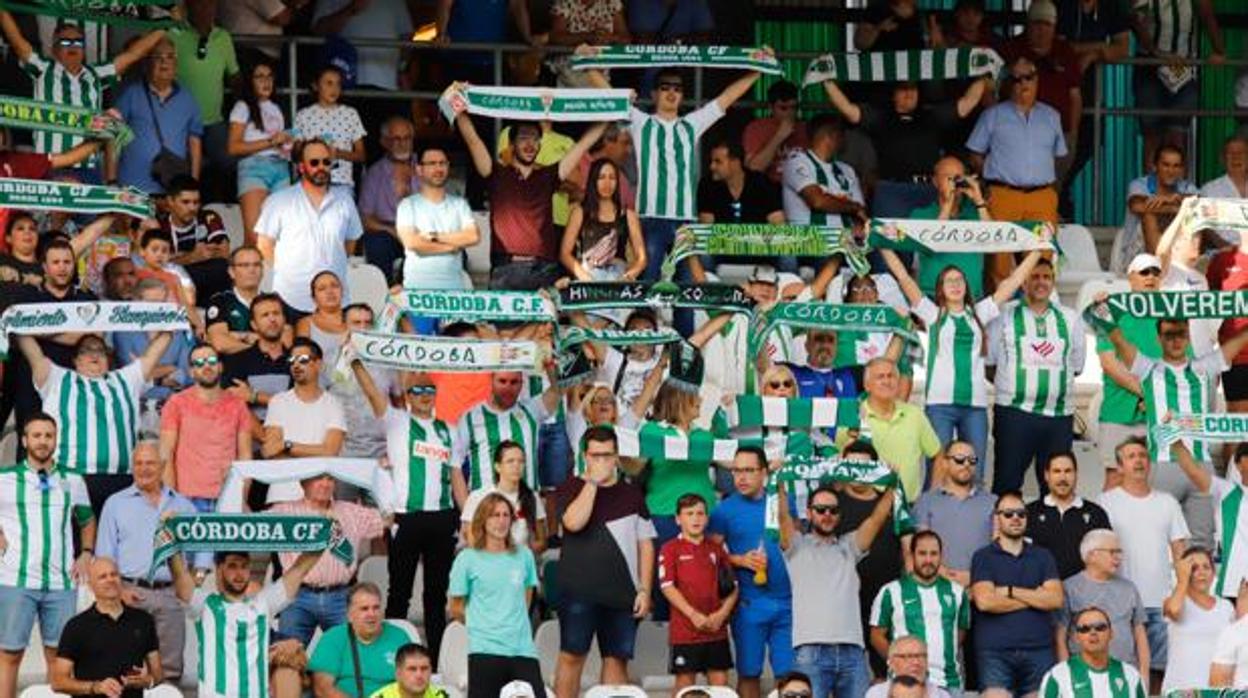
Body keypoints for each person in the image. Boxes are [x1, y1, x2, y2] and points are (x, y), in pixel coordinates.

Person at [581, 55, 765, 317]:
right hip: (651, 219)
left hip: (685, 223)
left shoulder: (692, 124)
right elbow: (607, 92)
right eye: (665, 87)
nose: (671, 92)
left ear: (682, 96)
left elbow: (726, 98)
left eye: (677, 88)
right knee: (647, 288)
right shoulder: (641, 121)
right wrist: (586, 62)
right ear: (654, 93)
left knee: (686, 294)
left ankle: (684, 349)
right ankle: (642, 342)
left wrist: (758, 70)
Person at [882, 245, 1043, 476]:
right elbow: (904, 277)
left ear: (967, 286)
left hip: (975, 406)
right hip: (939, 405)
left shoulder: (980, 312)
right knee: (937, 471)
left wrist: (1038, 249)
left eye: (960, 280)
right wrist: (882, 245)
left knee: (975, 473)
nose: (956, 285)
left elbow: (1015, 280)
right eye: (949, 281)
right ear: (940, 289)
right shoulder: (933, 314)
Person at [1103, 314, 1248, 549]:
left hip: (1200, 464)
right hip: (1163, 464)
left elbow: (1240, 340)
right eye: (1169, 335)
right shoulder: (1148, 367)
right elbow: (1117, 339)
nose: (1176, 340)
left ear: (1189, 336)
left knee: (1202, 544)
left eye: (1181, 334)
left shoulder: (1204, 366)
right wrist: (1100, 313)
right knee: (1155, 539)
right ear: (1159, 338)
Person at [353, 360, 464, 664]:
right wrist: (355, 361)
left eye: (430, 389)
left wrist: (467, 516)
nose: (425, 395)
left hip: (442, 518)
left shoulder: (449, 430)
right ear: (408, 395)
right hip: (407, 517)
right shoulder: (396, 421)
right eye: (418, 390)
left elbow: (456, 476)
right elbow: (372, 392)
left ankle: (438, 658)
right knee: (399, 592)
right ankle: (389, 657)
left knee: (436, 594)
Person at [17, 330, 173, 513]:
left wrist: (173, 323)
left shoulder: (126, 379)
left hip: (121, 479)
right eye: (86, 350)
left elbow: (155, 352)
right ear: (75, 360)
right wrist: (16, 319)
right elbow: (30, 348)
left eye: (100, 350)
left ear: (108, 359)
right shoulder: (56, 378)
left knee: (119, 539)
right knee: (75, 538)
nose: (94, 354)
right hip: (71, 478)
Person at [553, 426, 656, 698]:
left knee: (616, 659)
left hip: (622, 591)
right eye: (595, 456)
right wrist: (592, 483)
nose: (601, 462)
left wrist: (644, 589)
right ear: (585, 456)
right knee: (572, 656)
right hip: (578, 590)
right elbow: (573, 522)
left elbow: (645, 544)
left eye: (607, 455)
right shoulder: (570, 487)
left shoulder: (632, 494)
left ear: (616, 457)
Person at [0, 11, 166, 178]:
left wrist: (165, 26)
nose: (72, 46)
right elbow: (16, 39)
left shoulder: (96, 74)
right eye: (65, 42)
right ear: (53, 47)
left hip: (89, 169)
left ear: (84, 48)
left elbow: (133, 54)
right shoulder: (44, 69)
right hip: (50, 166)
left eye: (78, 42)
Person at [452, 109, 604, 291]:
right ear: (511, 144)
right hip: (506, 270)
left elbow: (583, 144)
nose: (530, 144)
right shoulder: (496, 173)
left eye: (535, 139)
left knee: (544, 321)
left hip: (544, 270)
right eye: (524, 138)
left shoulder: (548, 175)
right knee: (505, 321)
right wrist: (457, 105)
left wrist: (616, 106)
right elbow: (473, 140)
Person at [0, 413, 95, 698]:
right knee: (9, 654)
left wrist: (86, 552)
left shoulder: (73, 479)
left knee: (60, 659)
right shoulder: (5, 479)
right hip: (16, 578)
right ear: (25, 440)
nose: (43, 441)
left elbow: (87, 520)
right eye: (37, 435)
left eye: (48, 436)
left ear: (55, 440)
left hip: (60, 583)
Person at [777, 472, 897, 698]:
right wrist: (779, 482)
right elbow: (782, 517)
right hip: (811, 650)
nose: (827, 515)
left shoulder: (849, 546)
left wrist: (892, 481)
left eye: (833, 510)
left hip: (852, 651)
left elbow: (877, 518)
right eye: (820, 510)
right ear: (809, 512)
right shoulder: (796, 546)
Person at [96, 441, 203, 681]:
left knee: (170, 670)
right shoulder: (115, 504)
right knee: (125, 669)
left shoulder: (183, 505)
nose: (144, 468)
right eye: (139, 463)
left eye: (150, 463)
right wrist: (119, 590)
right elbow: (104, 556)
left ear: (163, 466)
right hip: (129, 594)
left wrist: (195, 582)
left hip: (170, 594)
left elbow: (202, 549)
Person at [168, 544, 324, 698]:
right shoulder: (206, 605)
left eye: (244, 567)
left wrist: (322, 540)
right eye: (232, 566)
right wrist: (169, 544)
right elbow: (180, 577)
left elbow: (299, 570)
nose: (239, 573)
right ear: (220, 569)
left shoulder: (263, 603)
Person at [820, 77, 988, 219]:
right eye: (903, 88)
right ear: (893, 94)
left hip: (928, 190)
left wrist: (983, 75)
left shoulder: (930, 116)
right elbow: (848, 110)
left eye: (913, 88)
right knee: (889, 247)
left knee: (926, 246)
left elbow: (967, 104)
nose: (909, 93)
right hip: (892, 191)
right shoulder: (882, 117)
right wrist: (826, 80)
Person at [966, 55, 1066, 288]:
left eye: (1028, 77)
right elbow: (974, 154)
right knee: (998, 261)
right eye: (1017, 78)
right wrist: (993, 177)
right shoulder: (992, 115)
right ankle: (997, 316)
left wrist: (1052, 194)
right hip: (1003, 194)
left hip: (1042, 195)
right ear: (1009, 83)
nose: (1023, 83)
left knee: (1042, 260)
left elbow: (1058, 156)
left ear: (1037, 79)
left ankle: (1037, 314)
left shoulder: (1052, 117)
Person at [1096, 437, 1189, 685]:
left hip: (1161, 603)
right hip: (1119, 603)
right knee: (1120, 675)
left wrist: (1179, 594)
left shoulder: (1168, 502)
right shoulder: (1104, 502)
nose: (1139, 460)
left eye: (1143, 456)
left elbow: (1181, 553)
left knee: (1160, 673)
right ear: (1119, 467)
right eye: (1131, 456)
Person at [987, 257, 1085, 493]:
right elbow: (990, 362)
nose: (1041, 282)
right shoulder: (1004, 315)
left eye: (1047, 277)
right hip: (1014, 414)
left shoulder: (1070, 318)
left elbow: (1077, 365)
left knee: (1056, 489)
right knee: (1006, 484)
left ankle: (1051, 531)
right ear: (1023, 282)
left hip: (1058, 416)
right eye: (1035, 277)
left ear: (1053, 282)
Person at [707, 447, 795, 698]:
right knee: (748, 673)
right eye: (736, 470)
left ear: (765, 472)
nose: (741, 477)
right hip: (747, 602)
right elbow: (710, 555)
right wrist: (739, 559)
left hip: (786, 600)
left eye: (748, 470)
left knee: (788, 675)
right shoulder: (724, 510)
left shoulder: (780, 502)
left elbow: (797, 543)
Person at [269, 471, 386, 646]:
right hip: (296, 596)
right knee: (286, 658)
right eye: (318, 478)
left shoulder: (351, 511)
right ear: (303, 483)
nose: (325, 484)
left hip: (341, 596)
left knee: (350, 658)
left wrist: (384, 477)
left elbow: (388, 519)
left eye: (330, 478)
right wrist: (237, 485)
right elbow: (244, 524)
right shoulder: (283, 512)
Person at [449, 492, 544, 698]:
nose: (501, 521)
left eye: (505, 515)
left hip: (523, 649)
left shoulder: (524, 555)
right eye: (494, 515)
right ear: (483, 520)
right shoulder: (467, 559)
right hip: (485, 651)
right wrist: (484, 623)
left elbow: (526, 596)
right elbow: (455, 607)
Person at [255, 138, 364, 317]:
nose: (321, 167)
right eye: (314, 162)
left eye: (326, 162)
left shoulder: (345, 199)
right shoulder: (279, 201)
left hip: (335, 300)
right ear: (301, 167)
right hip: (291, 298)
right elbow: (264, 245)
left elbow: (351, 242)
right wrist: (286, 272)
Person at [970, 491, 1064, 698]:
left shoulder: (1043, 556)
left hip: (1039, 650)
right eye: (1008, 513)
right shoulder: (983, 557)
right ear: (997, 518)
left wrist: (1010, 591)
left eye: (1021, 514)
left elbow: (1055, 599)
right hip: (995, 651)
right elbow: (985, 602)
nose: (1015, 518)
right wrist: (1036, 598)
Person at [1128, 0, 1225, 169]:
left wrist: (1219, 50)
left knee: (1178, 134)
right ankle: (1151, 191)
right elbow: (1135, 20)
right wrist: (1155, 51)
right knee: (1152, 135)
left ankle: (1179, 191)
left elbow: (1207, 15)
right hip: (1150, 66)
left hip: (1182, 67)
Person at [869, 531, 970, 694]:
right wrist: (899, 662)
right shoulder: (890, 591)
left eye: (934, 554)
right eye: (922, 553)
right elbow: (876, 636)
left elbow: (959, 633)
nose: (928, 560)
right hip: (904, 683)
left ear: (941, 556)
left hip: (949, 682)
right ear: (911, 555)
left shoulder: (957, 592)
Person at [659, 493, 738, 691]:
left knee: (720, 686)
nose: (696, 518)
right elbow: (667, 586)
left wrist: (722, 614)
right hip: (686, 632)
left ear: (707, 518)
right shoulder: (670, 549)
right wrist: (693, 615)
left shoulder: (717, 549)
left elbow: (733, 587)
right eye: (689, 513)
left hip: (716, 630)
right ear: (678, 519)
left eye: (700, 513)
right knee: (685, 687)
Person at [51, 557, 162, 697]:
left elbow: (158, 673)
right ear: (91, 586)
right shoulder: (76, 626)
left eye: (114, 574)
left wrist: (147, 681)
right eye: (102, 577)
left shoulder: (143, 620)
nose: (110, 579)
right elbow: (58, 682)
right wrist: (96, 687)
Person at [159, 343, 251, 509]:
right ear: (191, 372)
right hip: (188, 499)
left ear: (220, 366)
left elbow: (245, 456)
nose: (206, 366)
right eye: (199, 363)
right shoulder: (176, 403)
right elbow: (166, 454)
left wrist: (241, 496)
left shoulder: (238, 405)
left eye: (211, 360)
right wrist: (172, 501)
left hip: (228, 496)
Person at [1095, 254, 1162, 475]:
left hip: (1158, 420)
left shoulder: (1172, 315)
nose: (1151, 277)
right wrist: (1150, 395)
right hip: (1119, 414)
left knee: (1154, 485)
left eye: (1156, 272)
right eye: (1144, 272)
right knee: (1115, 480)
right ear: (1131, 277)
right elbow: (1109, 364)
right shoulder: (1110, 310)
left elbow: (1180, 363)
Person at [169, 0, 239, 204]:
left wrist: (243, 111)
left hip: (213, 120)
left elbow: (235, 76)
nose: (205, 10)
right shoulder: (174, 35)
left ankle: (221, 211)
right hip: (181, 121)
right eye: (199, 5)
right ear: (188, 7)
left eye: (210, 5)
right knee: (183, 168)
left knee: (229, 163)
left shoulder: (222, 37)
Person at [115, 37, 204, 194]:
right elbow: (112, 135)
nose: (164, 62)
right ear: (148, 62)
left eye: (170, 57)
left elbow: (194, 142)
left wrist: (193, 183)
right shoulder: (130, 93)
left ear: (176, 63)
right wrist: (111, 179)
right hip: (131, 186)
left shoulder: (188, 98)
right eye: (158, 57)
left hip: (171, 189)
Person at [1057, 529, 1149, 675]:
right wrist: (1066, 676)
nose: (1118, 558)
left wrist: (1143, 677)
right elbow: (1060, 636)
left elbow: (1140, 634)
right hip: (1083, 676)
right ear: (1091, 555)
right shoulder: (1069, 588)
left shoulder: (1129, 588)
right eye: (1112, 552)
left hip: (1125, 675)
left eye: (1119, 552)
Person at [899, 156, 990, 300]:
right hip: (933, 297)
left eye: (959, 178)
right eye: (949, 178)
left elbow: (994, 239)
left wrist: (979, 201)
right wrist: (948, 205)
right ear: (935, 182)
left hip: (971, 297)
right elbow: (934, 242)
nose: (955, 183)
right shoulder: (920, 215)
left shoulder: (975, 212)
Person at [394, 145, 480, 295]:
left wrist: (435, 237)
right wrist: (451, 247)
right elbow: (413, 243)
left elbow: (473, 236)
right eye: (432, 164)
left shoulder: (459, 204)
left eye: (442, 163)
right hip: (418, 292)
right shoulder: (408, 205)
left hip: (454, 292)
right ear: (419, 169)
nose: (438, 168)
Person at [1001, 1, 1084, 153]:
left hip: (1059, 134)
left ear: (1054, 27)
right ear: (1028, 25)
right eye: (1036, 24)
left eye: (1047, 24)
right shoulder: (1012, 49)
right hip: (1017, 132)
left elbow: (1075, 97)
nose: (1041, 30)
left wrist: (1073, 133)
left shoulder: (1065, 51)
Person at [913, 441, 996, 587]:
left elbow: (1000, 548)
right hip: (935, 586)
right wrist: (943, 573)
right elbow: (919, 546)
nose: (966, 464)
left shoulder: (993, 502)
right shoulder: (925, 501)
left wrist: (976, 576)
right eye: (959, 459)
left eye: (972, 460)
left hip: (982, 588)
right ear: (945, 463)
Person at [227, 59, 293, 244]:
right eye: (260, 77)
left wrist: (288, 143)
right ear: (250, 82)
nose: (266, 81)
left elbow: (276, 143)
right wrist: (271, 141)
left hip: (280, 168)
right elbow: (233, 147)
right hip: (254, 168)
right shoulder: (242, 106)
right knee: (254, 236)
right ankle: (239, 271)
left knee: (279, 237)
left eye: (270, 76)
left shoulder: (277, 108)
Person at [308, 582, 413, 698]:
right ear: (349, 615)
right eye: (364, 609)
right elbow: (323, 688)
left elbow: (415, 681)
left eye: (376, 608)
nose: (372, 614)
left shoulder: (399, 637)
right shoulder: (333, 638)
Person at [859, 357, 941, 503]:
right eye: (880, 377)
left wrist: (931, 497)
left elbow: (938, 455)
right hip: (865, 506)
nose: (887, 381)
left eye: (891, 376)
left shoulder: (914, 415)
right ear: (867, 385)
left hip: (909, 506)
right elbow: (841, 461)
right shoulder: (854, 415)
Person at [460, 371, 558, 492]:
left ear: (522, 383)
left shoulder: (531, 410)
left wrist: (550, 368)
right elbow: (454, 466)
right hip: (485, 505)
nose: (508, 388)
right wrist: (467, 508)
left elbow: (557, 390)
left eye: (514, 382)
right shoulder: (471, 417)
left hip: (525, 504)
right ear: (491, 380)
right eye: (502, 381)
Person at [1111, 145, 1197, 274]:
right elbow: (1137, 206)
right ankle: (1159, 267)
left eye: (1176, 166)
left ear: (1182, 169)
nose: (1171, 171)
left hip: (1177, 251)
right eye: (1166, 165)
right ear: (1155, 166)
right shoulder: (1139, 184)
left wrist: (1171, 199)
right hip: (1137, 256)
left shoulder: (1186, 187)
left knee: (1195, 219)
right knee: (1149, 216)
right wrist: (1177, 207)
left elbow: (1200, 204)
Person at [1025, 453, 1112, 579]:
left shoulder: (1095, 513)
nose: (1062, 478)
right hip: (1041, 593)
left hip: (1085, 594)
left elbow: (1107, 557)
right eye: (1056, 471)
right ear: (1046, 475)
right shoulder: (1029, 512)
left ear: (1076, 475)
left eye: (1068, 471)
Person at [260, 338, 346, 465]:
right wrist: (316, 451)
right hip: (284, 482)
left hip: (319, 482)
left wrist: (287, 445)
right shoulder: (278, 401)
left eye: (303, 360)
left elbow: (330, 451)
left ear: (319, 364)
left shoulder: (334, 404)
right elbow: (272, 451)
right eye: (292, 360)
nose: (296, 365)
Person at [560, 156, 647, 282]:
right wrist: (585, 278)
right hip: (588, 272)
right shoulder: (580, 212)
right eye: (601, 178)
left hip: (618, 273)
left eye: (612, 178)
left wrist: (627, 277)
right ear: (593, 180)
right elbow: (565, 253)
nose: (607, 183)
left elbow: (642, 258)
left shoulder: (628, 214)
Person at [1162, 547, 1234, 691]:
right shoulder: (1173, 601)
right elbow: (1174, 610)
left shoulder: (1226, 607)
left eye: (1206, 567)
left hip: (1215, 690)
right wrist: (1182, 580)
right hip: (1180, 690)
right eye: (1193, 568)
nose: (1201, 572)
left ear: (1213, 573)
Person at [358, 116, 420, 283]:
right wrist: (392, 231)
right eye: (396, 139)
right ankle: (385, 298)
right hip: (389, 234)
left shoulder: (426, 168)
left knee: (457, 252)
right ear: (384, 142)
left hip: (422, 231)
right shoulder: (375, 173)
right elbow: (365, 219)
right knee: (377, 244)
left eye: (407, 138)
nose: (403, 144)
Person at [1038, 607, 1148, 698]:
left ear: (1111, 633)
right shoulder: (1057, 676)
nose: (1093, 632)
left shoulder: (1131, 675)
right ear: (1076, 637)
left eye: (1100, 627)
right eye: (1084, 629)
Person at [782, 114, 867, 231]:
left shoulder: (847, 170)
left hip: (846, 242)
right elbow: (817, 202)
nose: (845, 140)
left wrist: (858, 217)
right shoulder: (796, 162)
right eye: (843, 135)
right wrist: (852, 207)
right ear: (832, 136)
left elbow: (860, 212)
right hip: (810, 241)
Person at [222, 292, 293, 429]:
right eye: (265, 315)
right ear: (254, 325)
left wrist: (255, 397)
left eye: (276, 313)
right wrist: (264, 438)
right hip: (250, 440)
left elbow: (301, 405)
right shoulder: (237, 360)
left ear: (284, 320)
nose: (272, 319)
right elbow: (232, 404)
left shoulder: (297, 359)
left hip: (292, 437)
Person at [461, 441, 547, 554]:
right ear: (497, 467)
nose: (516, 466)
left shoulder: (532, 497)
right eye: (510, 461)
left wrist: (521, 557)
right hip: (487, 562)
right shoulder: (478, 496)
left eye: (521, 461)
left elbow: (542, 541)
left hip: (520, 565)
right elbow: (470, 537)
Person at [156, 174, 231, 300]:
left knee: (222, 267)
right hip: (177, 286)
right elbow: (158, 264)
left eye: (196, 202)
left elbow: (224, 252)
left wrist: (177, 257)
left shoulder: (208, 217)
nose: (192, 208)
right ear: (170, 201)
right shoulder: (160, 226)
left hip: (210, 281)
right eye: (185, 202)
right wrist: (192, 257)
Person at [294, 65, 367, 190]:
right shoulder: (303, 115)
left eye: (338, 84)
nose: (334, 89)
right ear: (315, 86)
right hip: (311, 183)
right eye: (329, 83)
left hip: (341, 183)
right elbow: (296, 152)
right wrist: (312, 147)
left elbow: (361, 155)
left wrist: (338, 153)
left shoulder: (350, 114)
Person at [206, 246, 267, 355]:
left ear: (262, 270)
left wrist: (236, 336)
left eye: (257, 265)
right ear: (231, 272)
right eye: (244, 265)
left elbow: (285, 342)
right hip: (233, 368)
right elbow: (220, 343)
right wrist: (258, 347)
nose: (252, 270)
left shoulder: (273, 302)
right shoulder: (220, 301)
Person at [744, 80, 807, 183]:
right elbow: (753, 169)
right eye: (783, 108)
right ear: (770, 107)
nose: (790, 113)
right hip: (768, 188)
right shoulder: (756, 128)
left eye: (794, 107)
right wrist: (779, 136)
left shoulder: (804, 128)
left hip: (800, 187)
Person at [294, 270, 348, 384]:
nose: (330, 291)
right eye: (322, 289)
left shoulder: (356, 320)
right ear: (314, 298)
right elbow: (302, 362)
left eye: (334, 286)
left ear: (342, 291)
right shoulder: (306, 323)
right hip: (321, 391)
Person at [863, 637, 953, 698]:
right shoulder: (876, 694)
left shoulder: (942, 695)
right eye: (907, 657)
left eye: (921, 656)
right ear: (891, 662)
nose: (916, 662)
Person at [369, 643, 449, 698]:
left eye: (424, 668)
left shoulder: (440, 696)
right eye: (412, 669)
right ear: (398, 674)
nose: (419, 675)